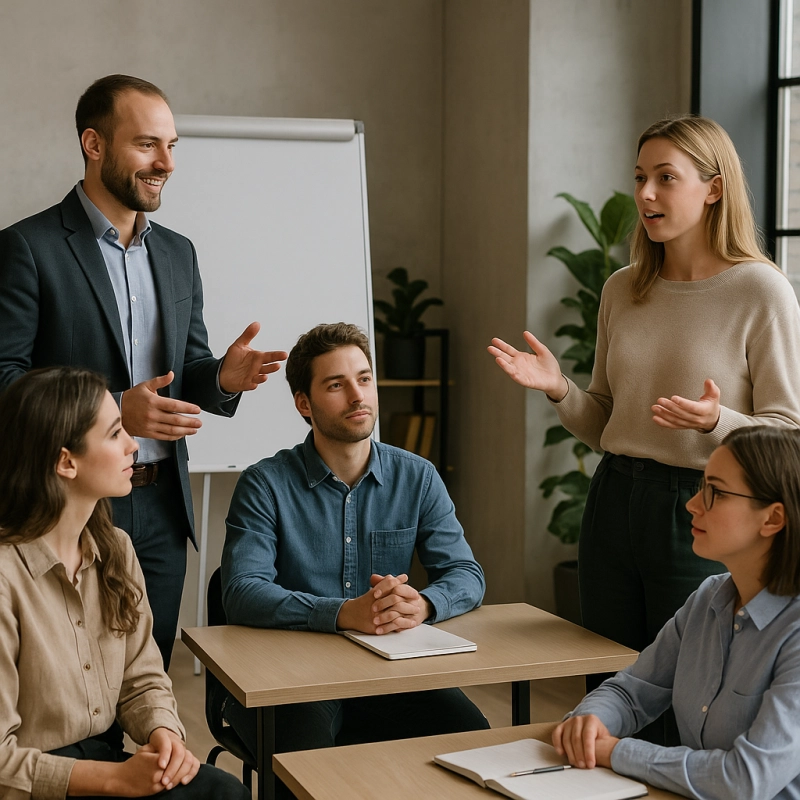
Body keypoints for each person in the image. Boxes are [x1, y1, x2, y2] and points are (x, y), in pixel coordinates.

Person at [488, 115, 800, 668]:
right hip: (614, 499)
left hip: (703, 504)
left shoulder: (760, 290)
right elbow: (607, 421)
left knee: (685, 683)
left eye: (665, 177)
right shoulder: (622, 288)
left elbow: (788, 431)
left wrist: (716, 422)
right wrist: (560, 389)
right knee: (603, 673)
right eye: (638, 178)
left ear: (714, 188)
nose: (646, 194)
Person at [0, 74, 288, 669]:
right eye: (147, 145)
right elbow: (6, 381)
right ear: (94, 144)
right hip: (63, 504)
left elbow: (186, 369)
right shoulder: (27, 248)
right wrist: (109, 408)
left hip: (160, 509)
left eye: (173, 146)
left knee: (144, 675)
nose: (166, 163)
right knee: (69, 682)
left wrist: (221, 380)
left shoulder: (179, 253)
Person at [220, 322, 489, 791]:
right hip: (291, 681)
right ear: (304, 403)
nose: (357, 396)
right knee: (306, 763)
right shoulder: (264, 484)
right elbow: (242, 591)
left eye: (364, 379)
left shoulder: (418, 477)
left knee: (472, 738)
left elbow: (466, 573)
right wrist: (344, 614)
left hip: (387, 674)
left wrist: (422, 605)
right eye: (336, 385)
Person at [0, 366, 250, 800]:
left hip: (103, 758)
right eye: (116, 434)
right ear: (66, 461)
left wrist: (163, 732)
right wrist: (115, 780)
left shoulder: (116, 547)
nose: (134, 445)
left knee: (222, 793)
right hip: (30, 784)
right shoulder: (6, 575)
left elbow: (142, 677)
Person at [552, 426, 800, 800]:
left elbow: (746, 780)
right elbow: (632, 691)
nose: (692, 504)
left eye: (714, 492)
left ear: (772, 518)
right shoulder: (708, 598)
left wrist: (616, 751)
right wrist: (590, 722)